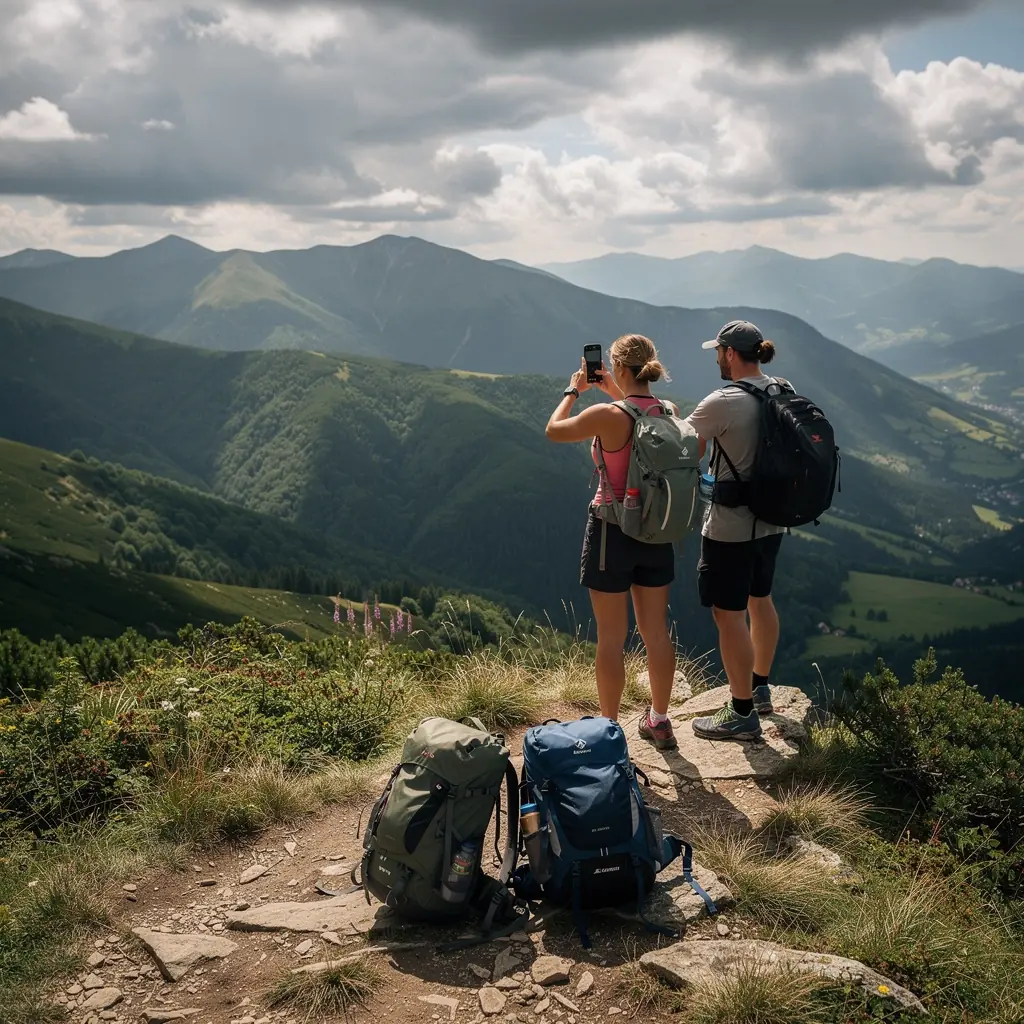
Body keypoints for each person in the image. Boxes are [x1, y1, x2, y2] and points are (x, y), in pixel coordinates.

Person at [545, 334, 679, 750]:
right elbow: (638, 411)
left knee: (610, 638)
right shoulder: (669, 412)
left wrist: (574, 389)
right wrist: (616, 388)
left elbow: (553, 430)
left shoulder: (606, 415)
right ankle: (659, 719)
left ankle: (609, 729)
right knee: (655, 632)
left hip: (611, 530)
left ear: (618, 368)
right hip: (657, 531)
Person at [685, 320, 786, 741]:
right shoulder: (782, 387)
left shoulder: (722, 401)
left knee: (728, 614)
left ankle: (741, 712)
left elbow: (682, 444)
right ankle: (760, 686)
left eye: (718, 352)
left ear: (728, 353)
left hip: (730, 525)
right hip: (774, 518)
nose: (716, 359)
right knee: (760, 599)